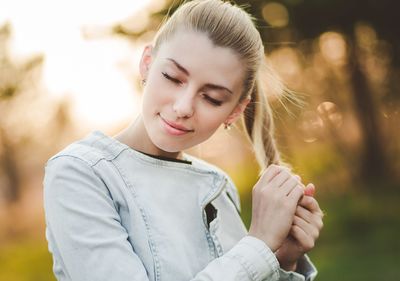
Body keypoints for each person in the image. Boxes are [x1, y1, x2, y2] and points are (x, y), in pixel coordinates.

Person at [43, 0, 324, 280]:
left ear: (235, 111)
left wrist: (281, 260)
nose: (183, 107)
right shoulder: (79, 174)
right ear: (146, 64)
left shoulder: (219, 187)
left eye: (212, 98)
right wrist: (258, 245)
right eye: (173, 77)